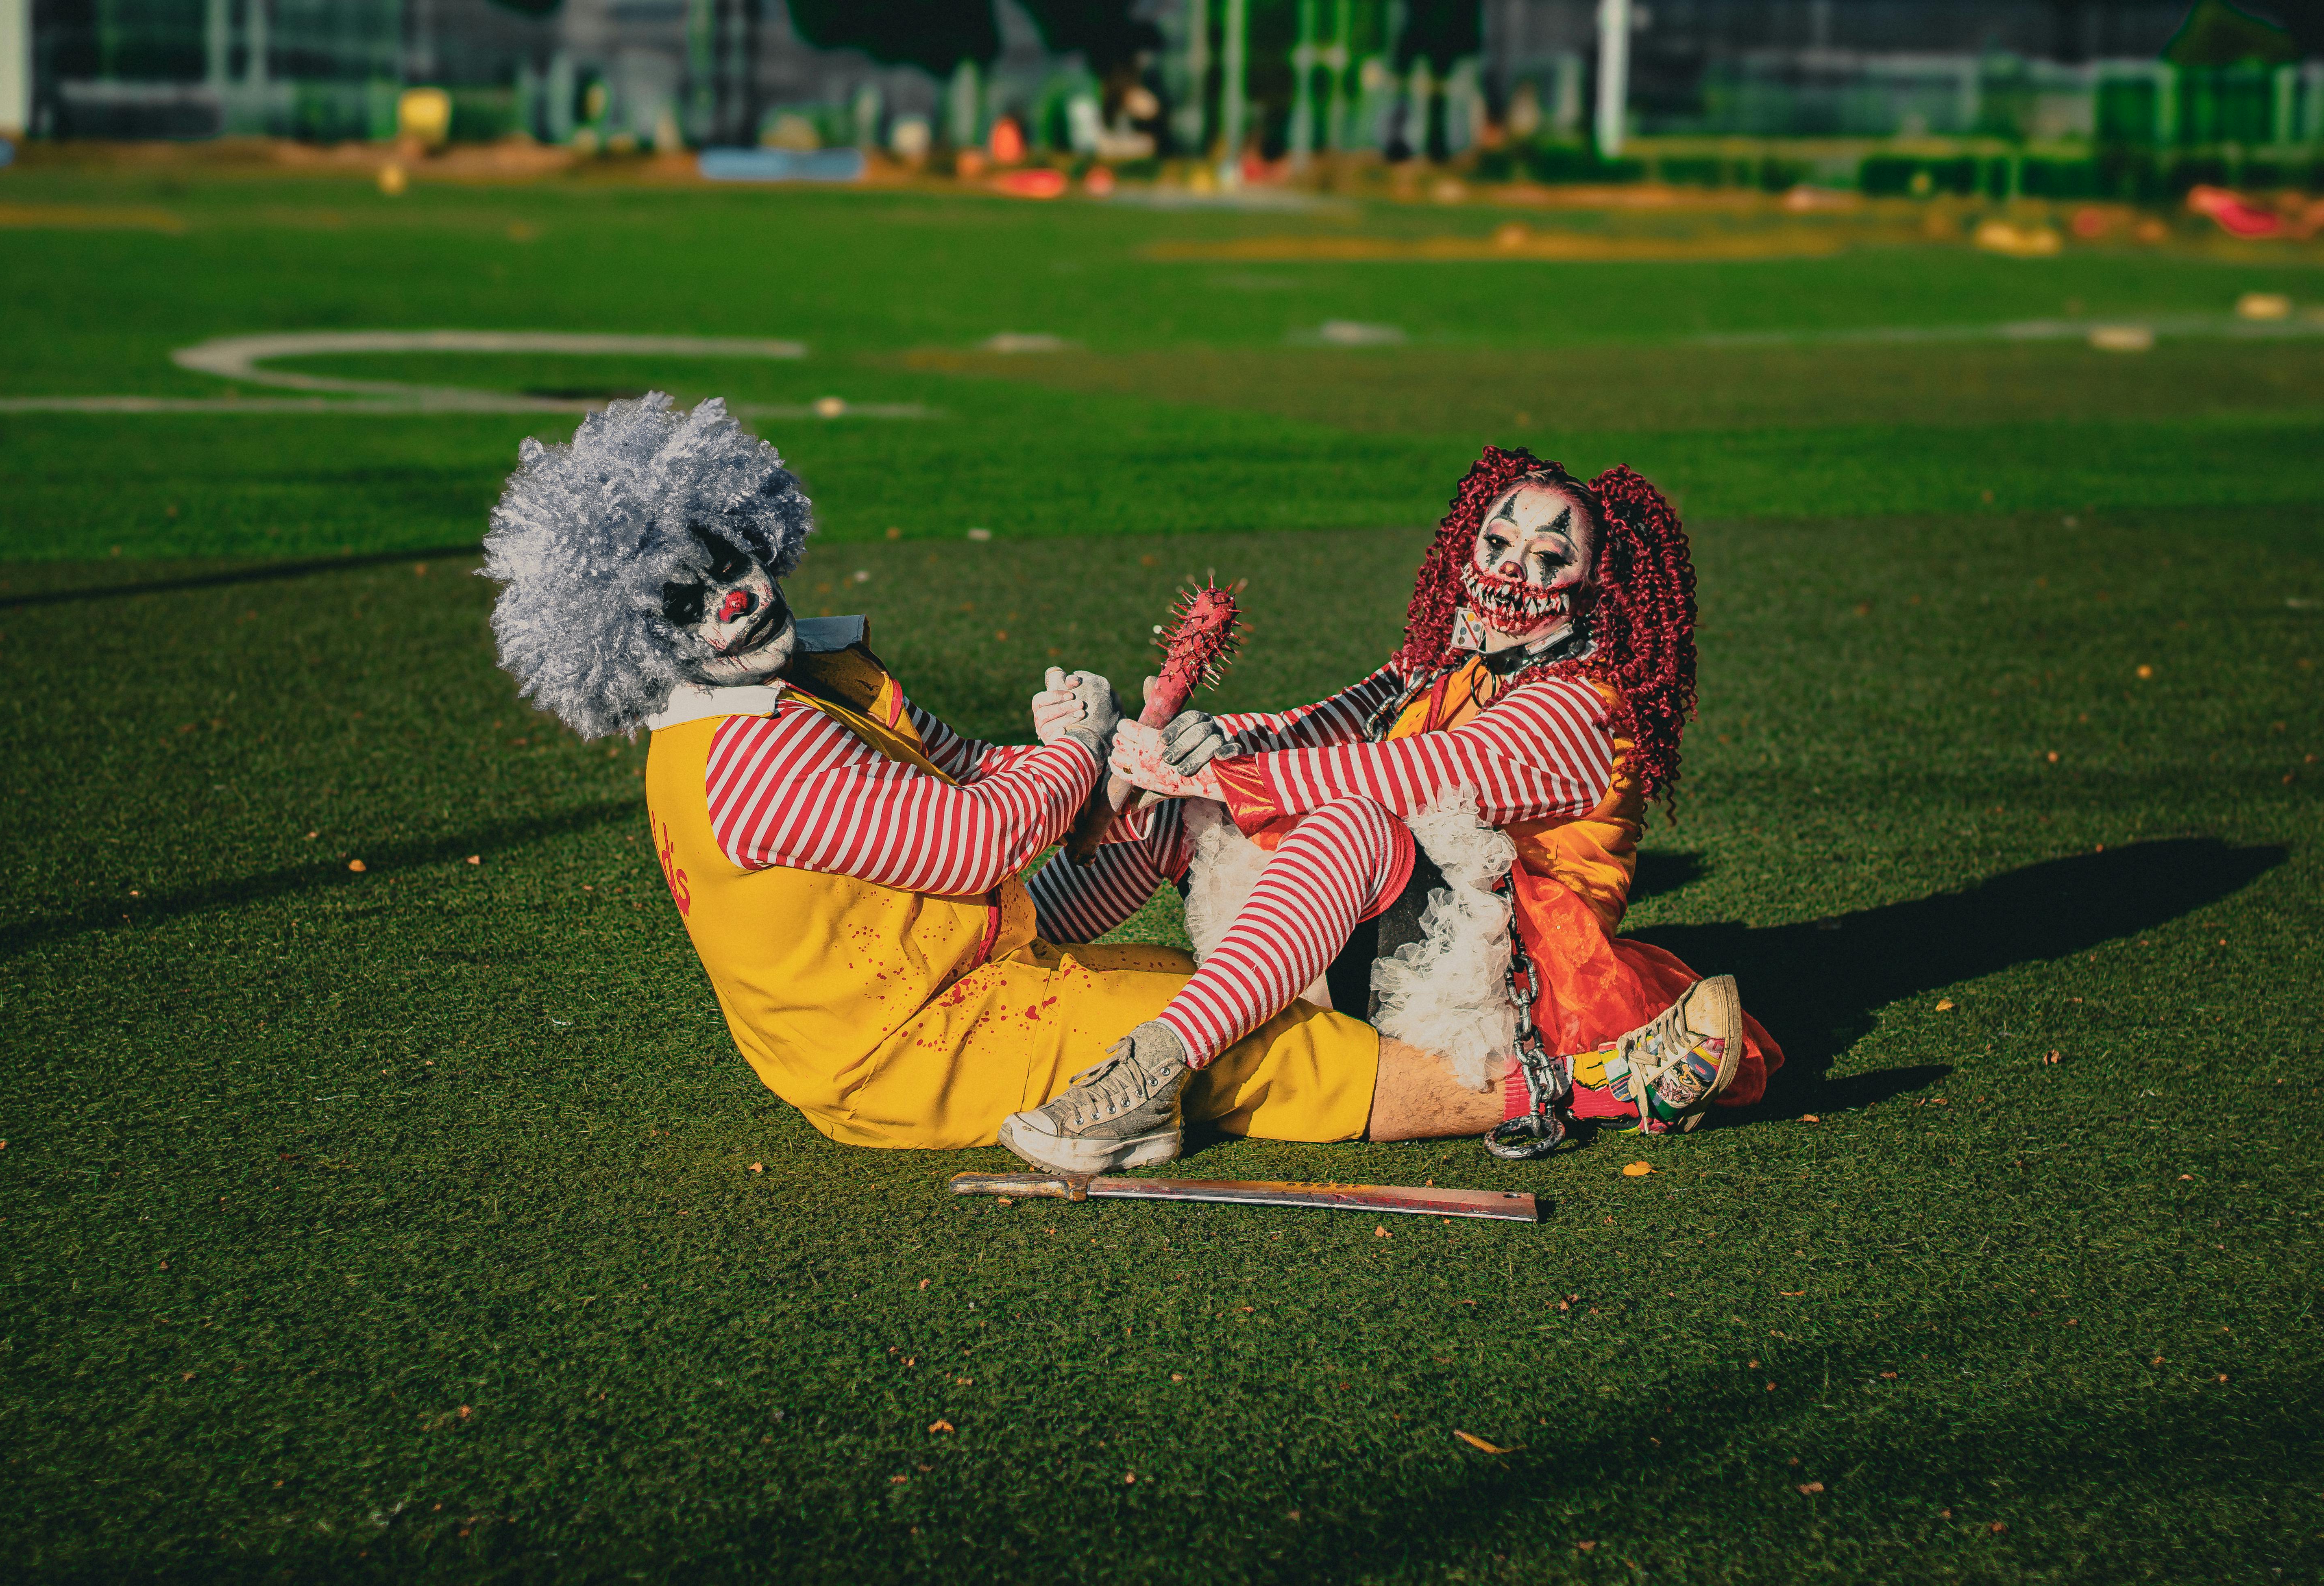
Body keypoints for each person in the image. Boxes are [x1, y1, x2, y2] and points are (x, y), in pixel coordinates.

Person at [477, 394, 1514, 1157]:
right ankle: (1546, 1086)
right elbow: (977, 838)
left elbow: (971, 768)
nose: (731, 602)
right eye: (684, 602)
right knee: (1242, 1045)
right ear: (630, 642)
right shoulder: (746, 759)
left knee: (1183, 900)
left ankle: (1374, 978)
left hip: (970, 960)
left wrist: (1103, 760)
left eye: (724, 558)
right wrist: (1076, 752)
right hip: (904, 1046)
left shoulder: (809, 672)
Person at [996, 446, 1783, 1174]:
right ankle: (1000, 952)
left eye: (1548, 557)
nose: (1512, 571)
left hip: (1489, 993)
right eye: (1498, 544)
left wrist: (1214, 773)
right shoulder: (1441, 663)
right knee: (1181, 813)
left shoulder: (1584, 706)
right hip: (1378, 942)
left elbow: (1414, 771)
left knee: (1351, 816)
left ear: (1595, 586)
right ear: (1465, 548)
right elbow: (1313, 725)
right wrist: (1142, 746)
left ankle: (1151, 1072)